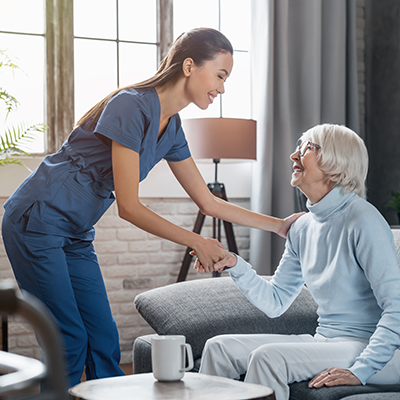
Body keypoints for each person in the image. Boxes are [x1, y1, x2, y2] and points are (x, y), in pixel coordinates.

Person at [1, 28, 300, 387]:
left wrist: (281, 225)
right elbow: (129, 206)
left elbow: (208, 201)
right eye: (220, 75)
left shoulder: (171, 128)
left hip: (75, 234)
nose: (222, 88)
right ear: (189, 65)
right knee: (69, 341)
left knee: (103, 340)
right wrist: (197, 240)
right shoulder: (131, 105)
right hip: (37, 221)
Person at [196, 123, 400, 400]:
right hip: (326, 340)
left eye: (307, 148)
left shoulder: (363, 219)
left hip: (373, 348)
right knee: (218, 347)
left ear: (336, 162)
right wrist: (236, 265)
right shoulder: (302, 228)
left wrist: (362, 369)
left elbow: (396, 307)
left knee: (269, 358)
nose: (294, 156)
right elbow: (275, 301)